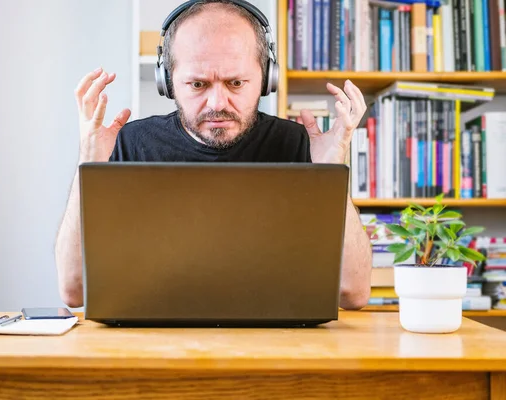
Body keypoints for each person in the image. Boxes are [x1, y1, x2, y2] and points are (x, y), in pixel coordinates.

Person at [55, 0, 372, 309]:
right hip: (152, 347)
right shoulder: (131, 142)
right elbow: (74, 290)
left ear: (266, 78)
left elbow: (353, 293)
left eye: (236, 82)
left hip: (274, 347)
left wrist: (331, 171)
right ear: (168, 82)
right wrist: (89, 161)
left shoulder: (297, 144)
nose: (217, 102)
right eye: (197, 83)